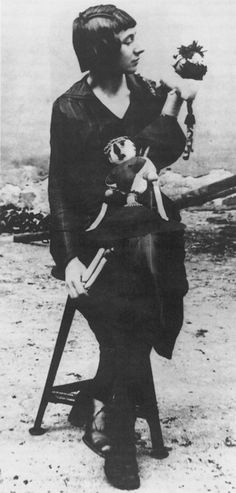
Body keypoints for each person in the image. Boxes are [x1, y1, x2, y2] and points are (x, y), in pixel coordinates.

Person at [48, 4, 195, 489]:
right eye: (128, 41)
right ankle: (120, 431)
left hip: (147, 228)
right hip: (95, 238)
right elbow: (63, 189)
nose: (140, 47)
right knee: (128, 306)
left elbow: (166, 150)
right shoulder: (70, 108)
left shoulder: (151, 93)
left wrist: (183, 100)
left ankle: (105, 400)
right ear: (101, 51)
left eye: (135, 38)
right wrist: (68, 257)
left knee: (146, 270)